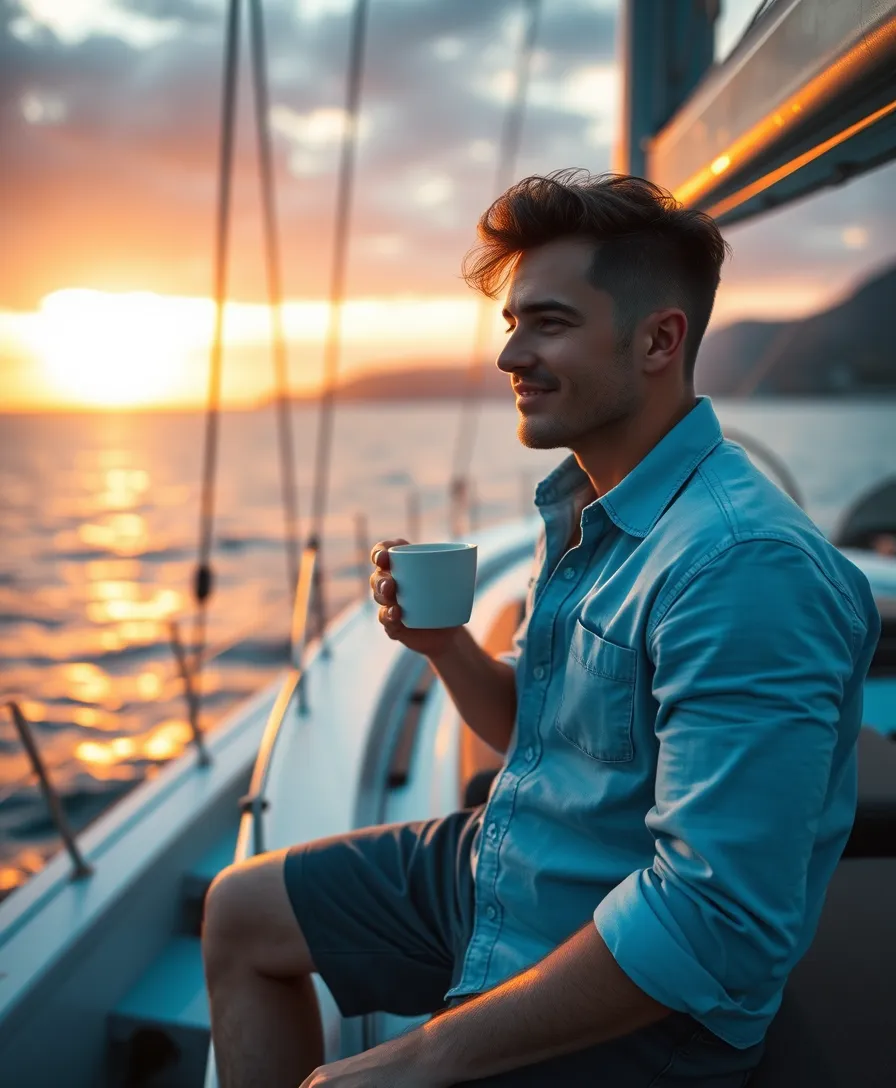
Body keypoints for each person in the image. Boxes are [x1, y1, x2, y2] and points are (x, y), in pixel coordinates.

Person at [201, 170, 881, 1087]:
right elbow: (534, 730)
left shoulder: (741, 567)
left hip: (640, 991)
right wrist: (445, 648)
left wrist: (421, 1057)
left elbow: (714, 922)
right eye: (512, 323)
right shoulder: (587, 508)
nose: (509, 355)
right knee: (241, 911)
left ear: (658, 339)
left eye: (547, 322)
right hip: (512, 865)